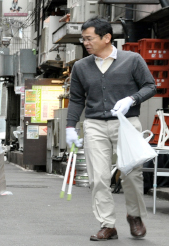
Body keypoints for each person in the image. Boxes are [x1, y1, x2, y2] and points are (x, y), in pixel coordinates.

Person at [66, 17, 156, 241]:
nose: (85, 43)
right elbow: (77, 99)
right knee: (98, 178)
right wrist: (70, 126)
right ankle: (107, 224)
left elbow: (150, 86)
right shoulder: (80, 66)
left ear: (107, 38)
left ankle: (134, 216)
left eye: (89, 38)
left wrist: (131, 99)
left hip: (126, 124)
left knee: (131, 174)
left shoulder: (132, 60)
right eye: (83, 39)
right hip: (94, 125)